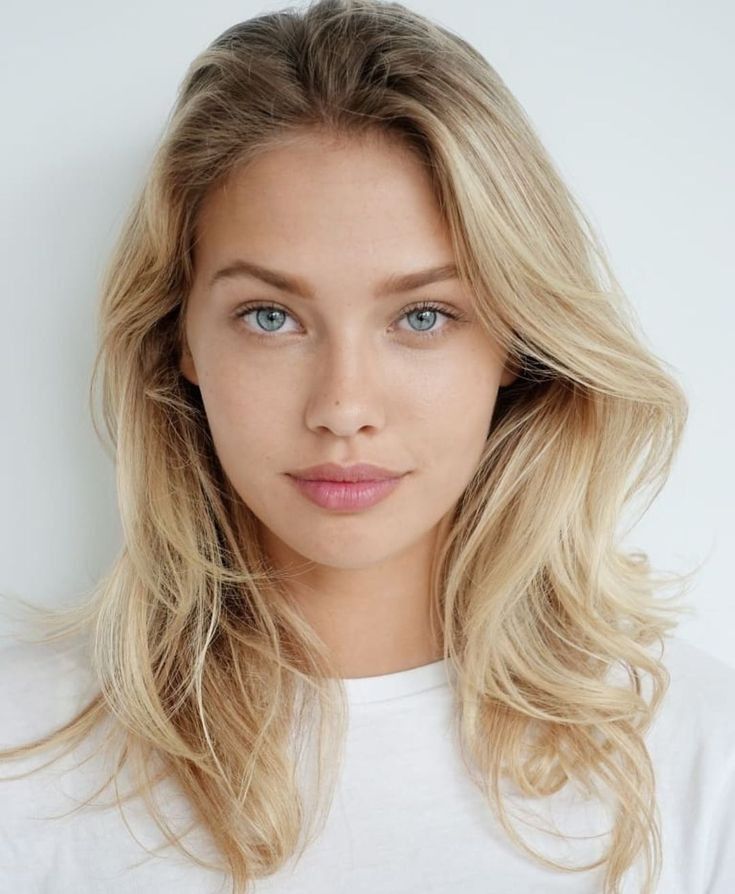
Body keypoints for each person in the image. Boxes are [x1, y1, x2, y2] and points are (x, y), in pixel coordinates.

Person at [1, 0, 734, 891]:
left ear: (514, 343)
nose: (342, 407)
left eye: (422, 316)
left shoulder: (695, 757)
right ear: (179, 340)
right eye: (270, 317)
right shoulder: (22, 756)